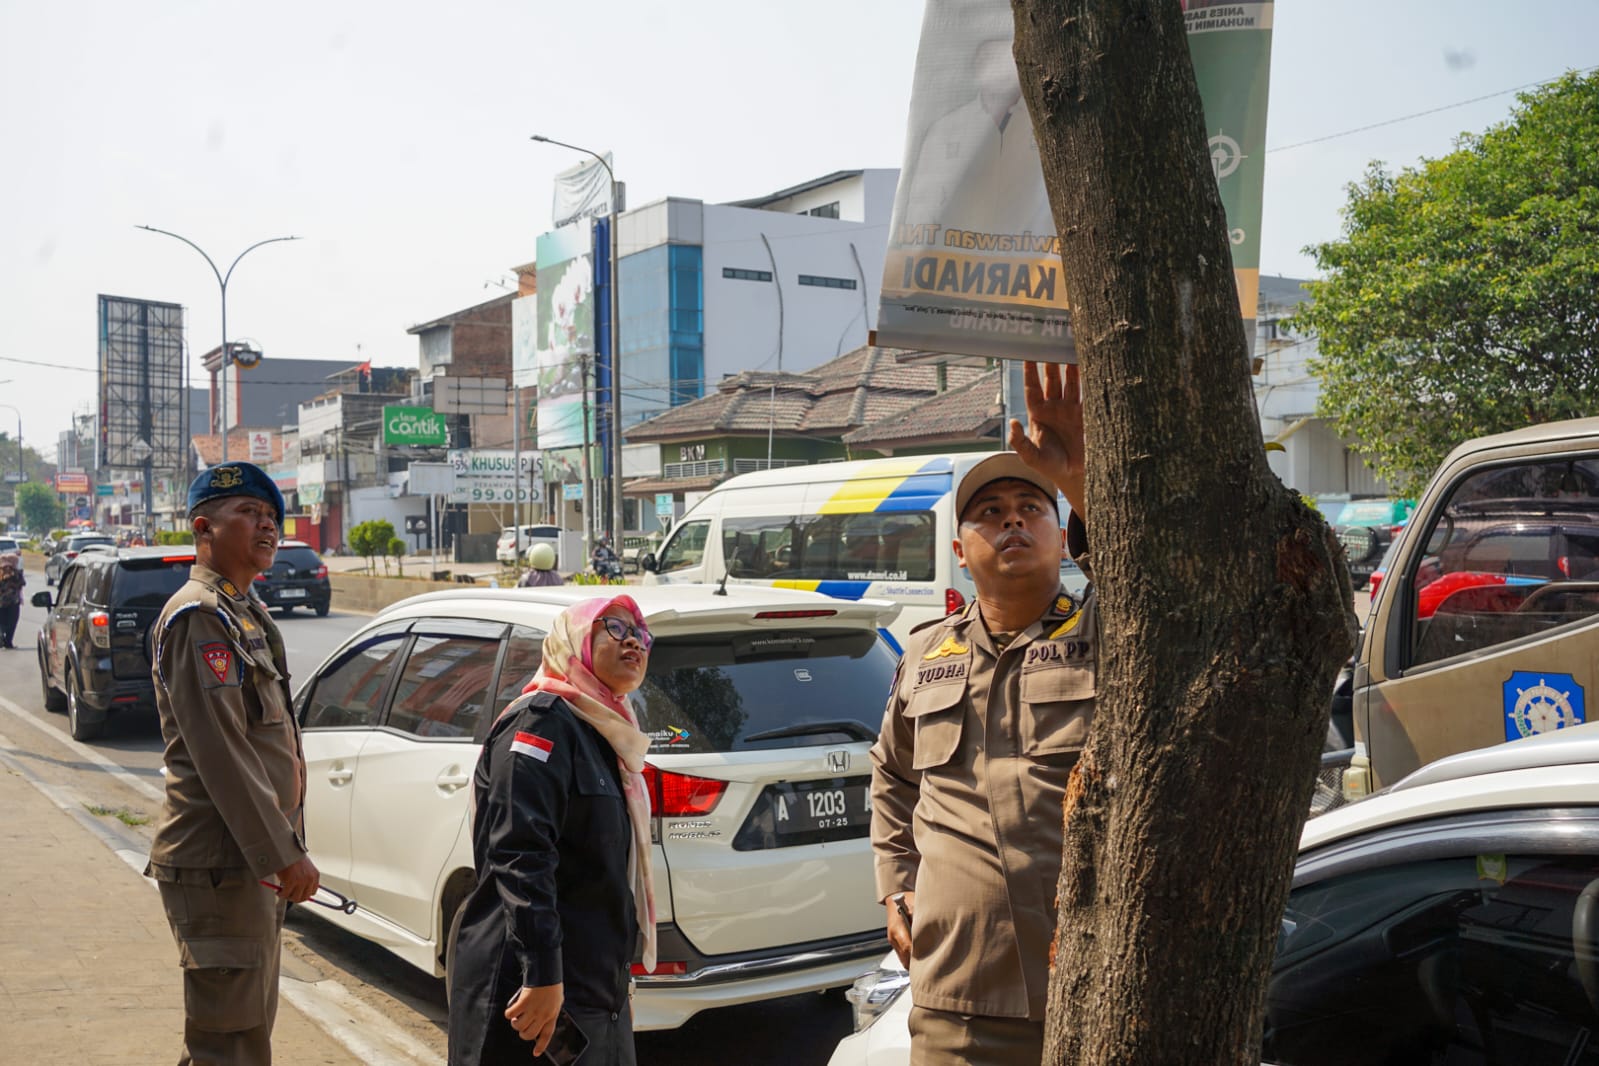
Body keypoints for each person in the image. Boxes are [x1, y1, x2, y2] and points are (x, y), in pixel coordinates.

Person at [870, 361, 1089, 1066]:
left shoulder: (1112, 633)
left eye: (1031, 510)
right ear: (961, 553)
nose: (1012, 523)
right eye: (989, 515)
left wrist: (1082, 480)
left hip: (1092, 980)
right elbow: (893, 779)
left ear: (1062, 539)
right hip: (957, 991)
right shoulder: (926, 654)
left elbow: (1154, 574)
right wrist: (894, 889)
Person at [144, 462, 320, 1066]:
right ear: (203, 528)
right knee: (232, 1044)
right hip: (221, 860)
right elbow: (222, 752)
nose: (267, 526)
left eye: (271, 516)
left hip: (243, 862)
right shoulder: (201, 617)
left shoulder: (242, 610)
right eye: (248, 513)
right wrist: (283, 851)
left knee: (237, 1037)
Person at [448, 593, 657, 1066]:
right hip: (536, 983)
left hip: (594, 988)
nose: (634, 642)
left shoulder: (605, 732)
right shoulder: (541, 723)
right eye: (616, 628)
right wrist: (542, 974)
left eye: (641, 633)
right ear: (576, 641)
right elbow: (520, 854)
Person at [0, 551, 24, 649]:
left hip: (1, 602)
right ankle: (8, 641)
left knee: (1, 622)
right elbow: (22, 583)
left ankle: (2, 638)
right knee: (12, 622)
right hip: (13, 602)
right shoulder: (16, 572)